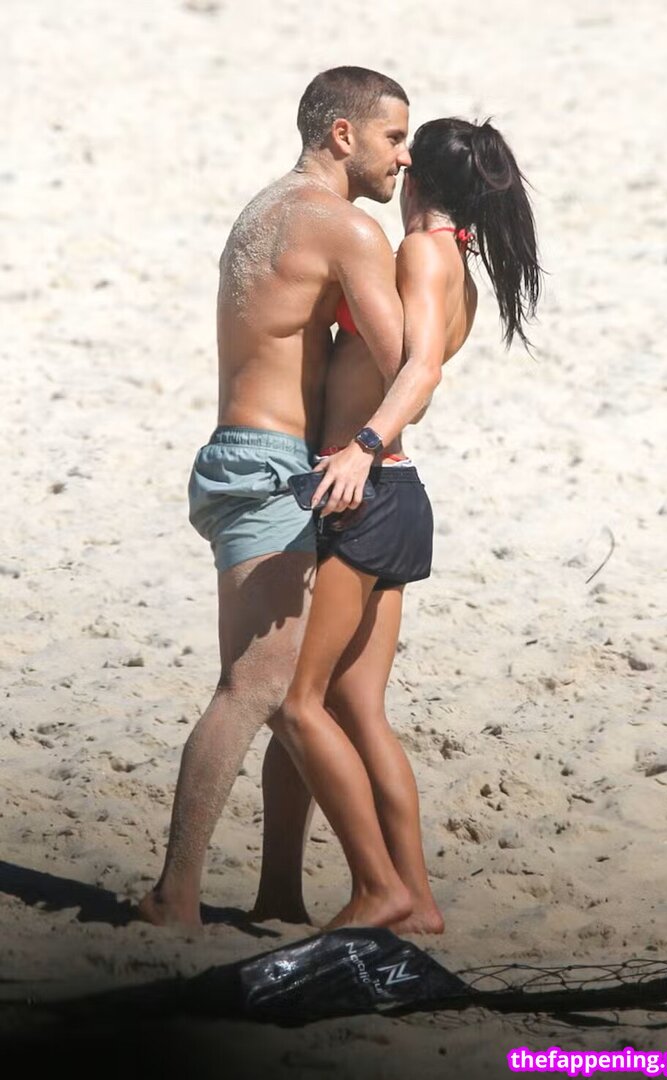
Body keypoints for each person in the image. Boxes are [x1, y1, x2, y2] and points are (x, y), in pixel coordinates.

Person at [137, 67, 454, 931]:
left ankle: (279, 891)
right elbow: (404, 366)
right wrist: (441, 267)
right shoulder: (347, 229)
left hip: (236, 452)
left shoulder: (265, 209)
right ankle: (175, 893)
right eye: (394, 137)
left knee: (285, 688)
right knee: (256, 688)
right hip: (274, 468)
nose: (405, 156)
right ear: (344, 136)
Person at [254, 117, 542, 931]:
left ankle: (386, 890)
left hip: (369, 486)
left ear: (418, 177)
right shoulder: (460, 265)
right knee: (355, 707)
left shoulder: (420, 252)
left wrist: (362, 447)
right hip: (400, 494)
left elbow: (419, 370)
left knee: (296, 702)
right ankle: (402, 899)